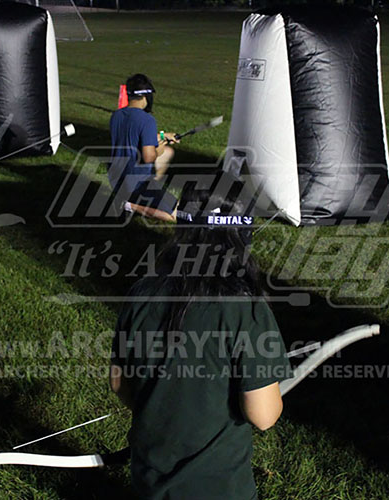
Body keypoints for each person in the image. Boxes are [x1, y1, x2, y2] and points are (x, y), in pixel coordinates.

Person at [110, 175, 292, 499]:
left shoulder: (141, 293)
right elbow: (263, 416)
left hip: (148, 484)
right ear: (241, 233)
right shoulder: (245, 308)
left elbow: (120, 385)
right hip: (219, 489)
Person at [109, 73, 179, 222]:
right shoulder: (147, 120)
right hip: (136, 183)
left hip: (116, 178)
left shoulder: (116, 115)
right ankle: (128, 205)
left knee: (178, 205)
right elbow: (148, 157)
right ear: (146, 96)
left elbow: (132, 137)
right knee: (174, 216)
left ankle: (138, 198)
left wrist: (162, 136)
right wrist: (157, 150)